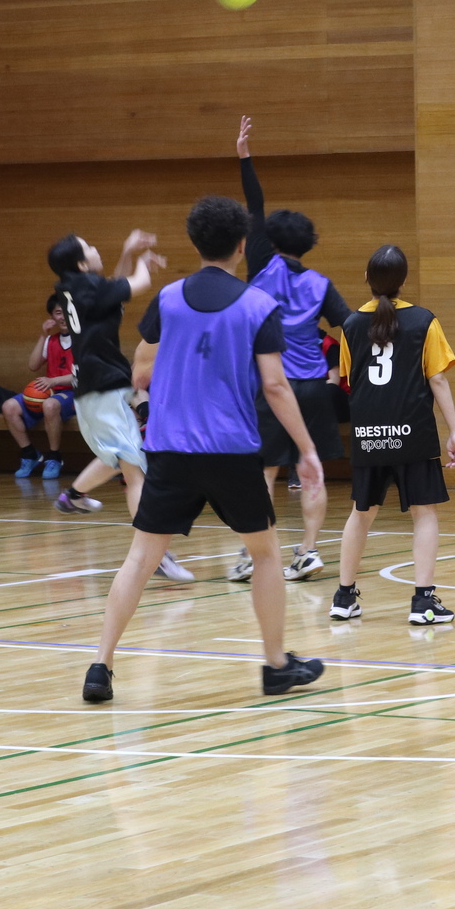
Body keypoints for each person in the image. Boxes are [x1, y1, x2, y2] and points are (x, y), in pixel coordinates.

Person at [80, 195, 325, 703]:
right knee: (265, 555)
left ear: (196, 242)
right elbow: (276, 387)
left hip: (170, 449)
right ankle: (276, 667)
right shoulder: (259, 305)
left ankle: (100, 666)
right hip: (231, 451)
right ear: (241, 245)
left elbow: (141, 369)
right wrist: (307, 448)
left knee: (141, 558)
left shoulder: (167, 299)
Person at [230, 114, 352, 583]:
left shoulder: (261, 262)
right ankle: (307, 551)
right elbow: (348, 327)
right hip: (315, 389)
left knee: (264, 471)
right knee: (312, 466)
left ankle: (254, 555)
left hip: (271, 385)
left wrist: (244, 156)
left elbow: (253, 204)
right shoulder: (321, 283)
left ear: (271, 240)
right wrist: (341, 372)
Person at [329, 245, 455, 626]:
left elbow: (349, 381)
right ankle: (423, 601)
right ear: (404, 282)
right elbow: (436, 378)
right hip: (413, 431)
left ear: (366, 280)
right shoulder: (424, 320)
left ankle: (343, 596)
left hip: (369, 433)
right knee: (424, 515)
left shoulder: (351, 324)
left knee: (361, 514)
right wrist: (454, 430)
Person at [48, 230, 193, 584]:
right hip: (103, 387)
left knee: (119, 456)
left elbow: (112, 284)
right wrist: (142, 263)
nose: (97, 248)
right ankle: (155, 554)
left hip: (96, 388)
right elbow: (137, 284)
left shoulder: (76, 288)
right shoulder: (90, 289)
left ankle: (73, 496)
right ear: (82, 263)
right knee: (134, 470)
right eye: (91, 246)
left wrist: (128, 251)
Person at [2, 295, 77, 479]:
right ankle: (29, 454)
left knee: (50, 405)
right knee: (9, 406)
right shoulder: (51, 340)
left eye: (68, 312)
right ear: (52, 316)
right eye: (58, 313)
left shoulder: (83, 340)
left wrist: (54, 381)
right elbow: (33, 365)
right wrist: (43, 335)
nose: (63, 317)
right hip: (50, 391)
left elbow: (82, 375)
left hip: (74, 393)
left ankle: (54, 457)